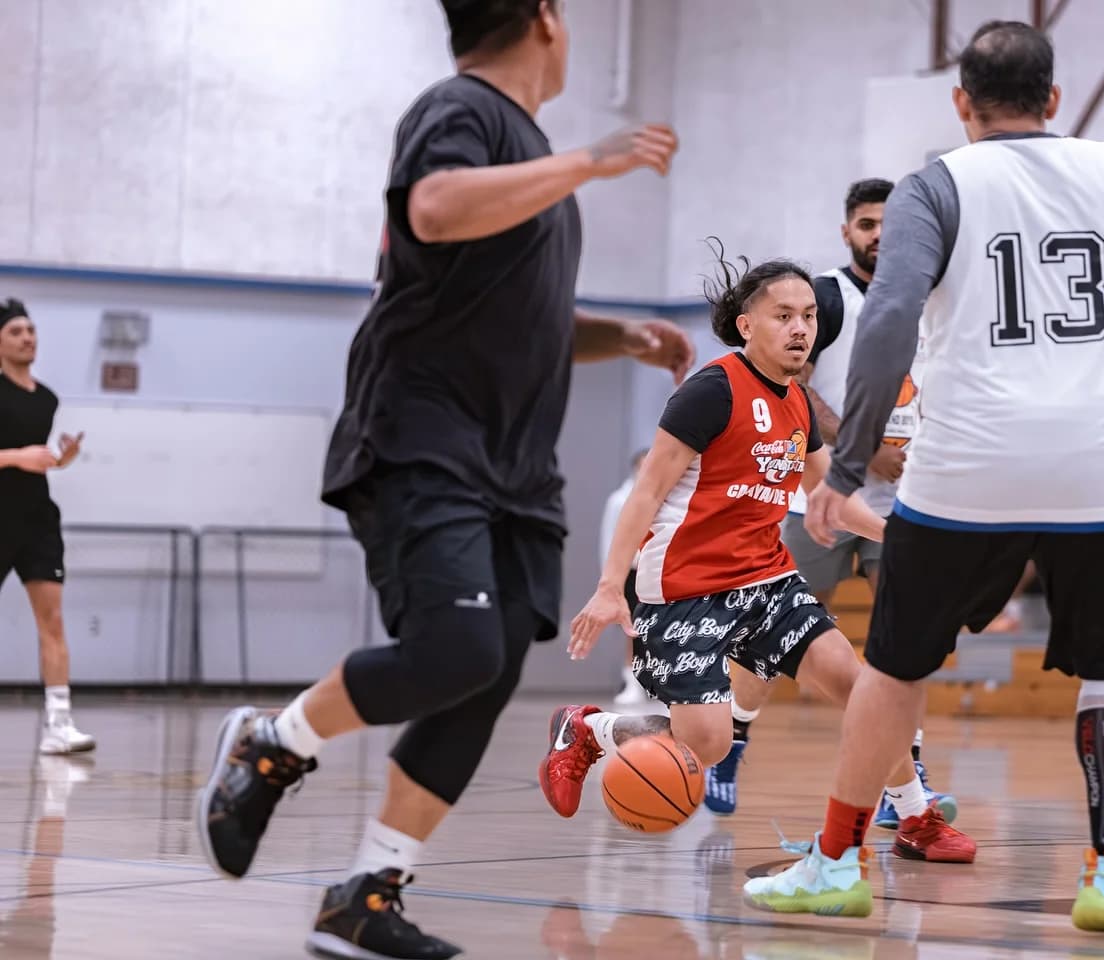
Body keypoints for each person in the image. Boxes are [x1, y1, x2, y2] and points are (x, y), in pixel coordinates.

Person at [194, 4, 694, 958]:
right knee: (458, 645)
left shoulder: (532, 167)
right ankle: (275, 740)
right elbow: (433, 205)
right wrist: (592, 159)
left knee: (487, 670)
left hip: (514, 471)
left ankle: (366, 896)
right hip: (427, 440)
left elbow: (515, 309)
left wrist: (617, 336)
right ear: (547, 16)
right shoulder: (460, 108)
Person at [744, 20, 1104, 936]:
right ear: (1053, 99)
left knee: (895, 666)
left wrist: (846, 465)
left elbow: (890, 315)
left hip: (966, 463)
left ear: (959, 103)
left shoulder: (934, 184)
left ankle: (835, 861)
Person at [541, 248, 977, 875]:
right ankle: (590, 730)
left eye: (807, 316)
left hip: (767, 580)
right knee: (709, 742)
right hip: (683, 589)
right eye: (783, 316)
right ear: (748, 325)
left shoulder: (798, 403)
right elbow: (647, 493)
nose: (801, 328)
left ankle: (914, 817)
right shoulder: (712, 391)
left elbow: (828, 499)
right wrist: (611, 587)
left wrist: (899, 537)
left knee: (863, 688)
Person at [703, 178, 958, 829]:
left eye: (888, 222)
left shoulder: (933, 296)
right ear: (848, 231)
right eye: (866, 223)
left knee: (907, 644)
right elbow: (794, 386)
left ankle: (911, 774)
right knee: (768, 634)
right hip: (817, 493)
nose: (878, 233)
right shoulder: (825, 300)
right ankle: (732, 741)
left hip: (908, 503)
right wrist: (860, 450)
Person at [0, 298, 93, 757]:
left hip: (36, 519)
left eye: (31, 330)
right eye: (16, 331)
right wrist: (18, 457)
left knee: (52, 620)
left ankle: (59, 724)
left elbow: (38, 460)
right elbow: (18, 456)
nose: (27, 337)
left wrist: (61, 459)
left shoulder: (48, 398)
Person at [601, 448, 650, 704]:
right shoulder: (620, 500)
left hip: (659, 570)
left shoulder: (671, 496)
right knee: (633, 629)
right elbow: (609, 540)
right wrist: (611, 581)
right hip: (631, 572)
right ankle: (632, 682)